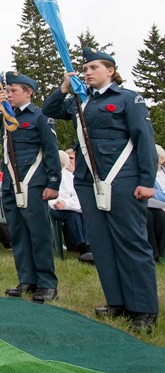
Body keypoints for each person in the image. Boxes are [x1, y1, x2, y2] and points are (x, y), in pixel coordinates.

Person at [42, 48, 158, 333]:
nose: (88, 72)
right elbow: (50, 110)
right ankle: (116, 301)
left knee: (131, 243)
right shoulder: (81, 101)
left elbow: (143, 140)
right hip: (87, 180)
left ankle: (143, 308)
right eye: (85, 68)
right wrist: (63, 88)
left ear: (110, 71)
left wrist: (146, 180)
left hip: (124, 180)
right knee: (102, 244)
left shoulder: (128, 99)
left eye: (94, 67)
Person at [0, 72, 60, 302]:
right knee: (19, 234)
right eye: (7, 90)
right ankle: (27, 280)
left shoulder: (40, 117)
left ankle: (46, 283)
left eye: (13, 91)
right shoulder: (5, 116)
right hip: (11, 184)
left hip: (34, 183)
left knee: (38, 234)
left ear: (28, 92)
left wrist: (53, 183)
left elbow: (51, 151)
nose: (8, 95)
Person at [49, 150, 93, 263]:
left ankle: (88, 247)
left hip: (70, 207)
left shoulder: (70, 176)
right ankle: (83, 247)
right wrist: (57, 203)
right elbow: (45, 195)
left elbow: (77, 196)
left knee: (80, 214)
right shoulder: (47, 176)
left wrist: (66, 203)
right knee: (72, 215)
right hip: (53, 208)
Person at [146, 144, 165, 262]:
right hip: (153, 204)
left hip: (160, 203)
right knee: (157, 216)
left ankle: (160, 251)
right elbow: (151, 192)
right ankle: (154, 253)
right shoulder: (148, 173)